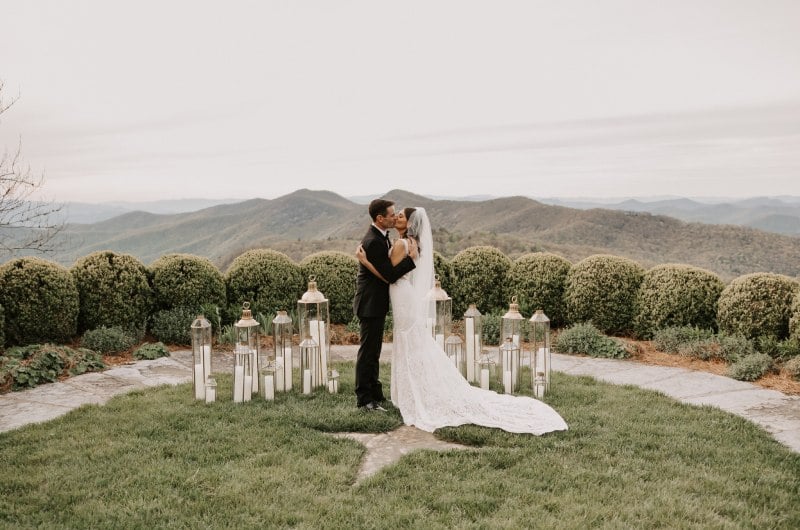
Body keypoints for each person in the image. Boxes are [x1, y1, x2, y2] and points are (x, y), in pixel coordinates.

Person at [356, 207, 568, 434]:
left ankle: (412, 391)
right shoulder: (406, 242)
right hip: (402, 295)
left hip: (402, 296)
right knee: (410, 340)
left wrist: (365, 261)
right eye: (394, 214)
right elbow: (394, 271)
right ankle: (406, 389)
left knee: (409, 340)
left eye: (400, 216)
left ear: (409, 224)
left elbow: (389, 275)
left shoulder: (401, 244)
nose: (396, 217)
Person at [353, 199, 418, 411]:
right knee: (368, 352)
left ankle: (375, 393)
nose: (394, 217)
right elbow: (389, 276)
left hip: (377, 302)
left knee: (374, 351)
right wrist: (411, 260)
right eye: (391, 214)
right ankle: (364, 399)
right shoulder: (373, 241)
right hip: (370, 303)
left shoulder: (382, 237)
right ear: (380, 218)